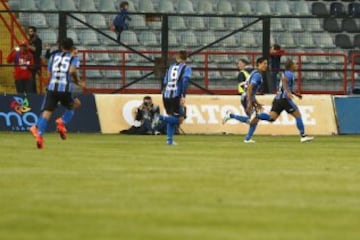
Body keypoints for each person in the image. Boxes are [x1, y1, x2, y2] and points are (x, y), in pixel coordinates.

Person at [29, 38, 84, 149]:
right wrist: (77, 81)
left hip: (52, 87)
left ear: (61, 46)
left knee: (47, 113)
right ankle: (61, 121)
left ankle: (39, 135)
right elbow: (72, 71)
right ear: (72, 47)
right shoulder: (73, 58)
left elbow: (49, 74)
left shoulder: (53, 57)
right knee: (75, 104)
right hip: (65, 89)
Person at [256, 59, 314, 143]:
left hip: (278, 99)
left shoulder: (286, 73)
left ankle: (257, 115)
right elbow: (284, 81)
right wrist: (288, 92)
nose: (296, 66)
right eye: (295, 64)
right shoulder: (289, 73)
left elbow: (285, 85)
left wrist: (295, 94)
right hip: (285, 99)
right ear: (291, 66)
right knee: (298, 115)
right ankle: (303, 136)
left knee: (271, 118)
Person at [223, 57, 268, 143]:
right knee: (252, 120)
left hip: (247, 97)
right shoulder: (257, 75)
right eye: (264, 63)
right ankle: (231, 116)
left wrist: (256, 102)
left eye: (266, 63)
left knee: (254, 119)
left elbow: (251, 90)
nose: (266, 65)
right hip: (247, 97)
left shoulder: (255, 73)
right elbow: (250, 88)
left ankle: (247, 138)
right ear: (259, 64)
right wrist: (250, 102)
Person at [158, 50, 191, 145]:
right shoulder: (186, 68)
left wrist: (164, 90)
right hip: (176, 96)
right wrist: (183, 95)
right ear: (186, 59)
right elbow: (185, 80)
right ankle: (158, 117)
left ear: (177, 58)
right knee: (180, 118)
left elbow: (165, 80)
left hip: (166, 94)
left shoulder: (170, 67)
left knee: (171, 117)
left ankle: (169, 140)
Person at [27, 26, 43, 93]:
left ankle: (34, 93)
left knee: (32, 78)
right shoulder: (29, 40)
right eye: (29, 31)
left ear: (35, 32)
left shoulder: (38, 40)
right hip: (30, 61)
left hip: (35, 61)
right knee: (30, 78)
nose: (30, 33)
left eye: (31, 31)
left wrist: (28, 46)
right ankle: (32, 92)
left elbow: (37, 49)